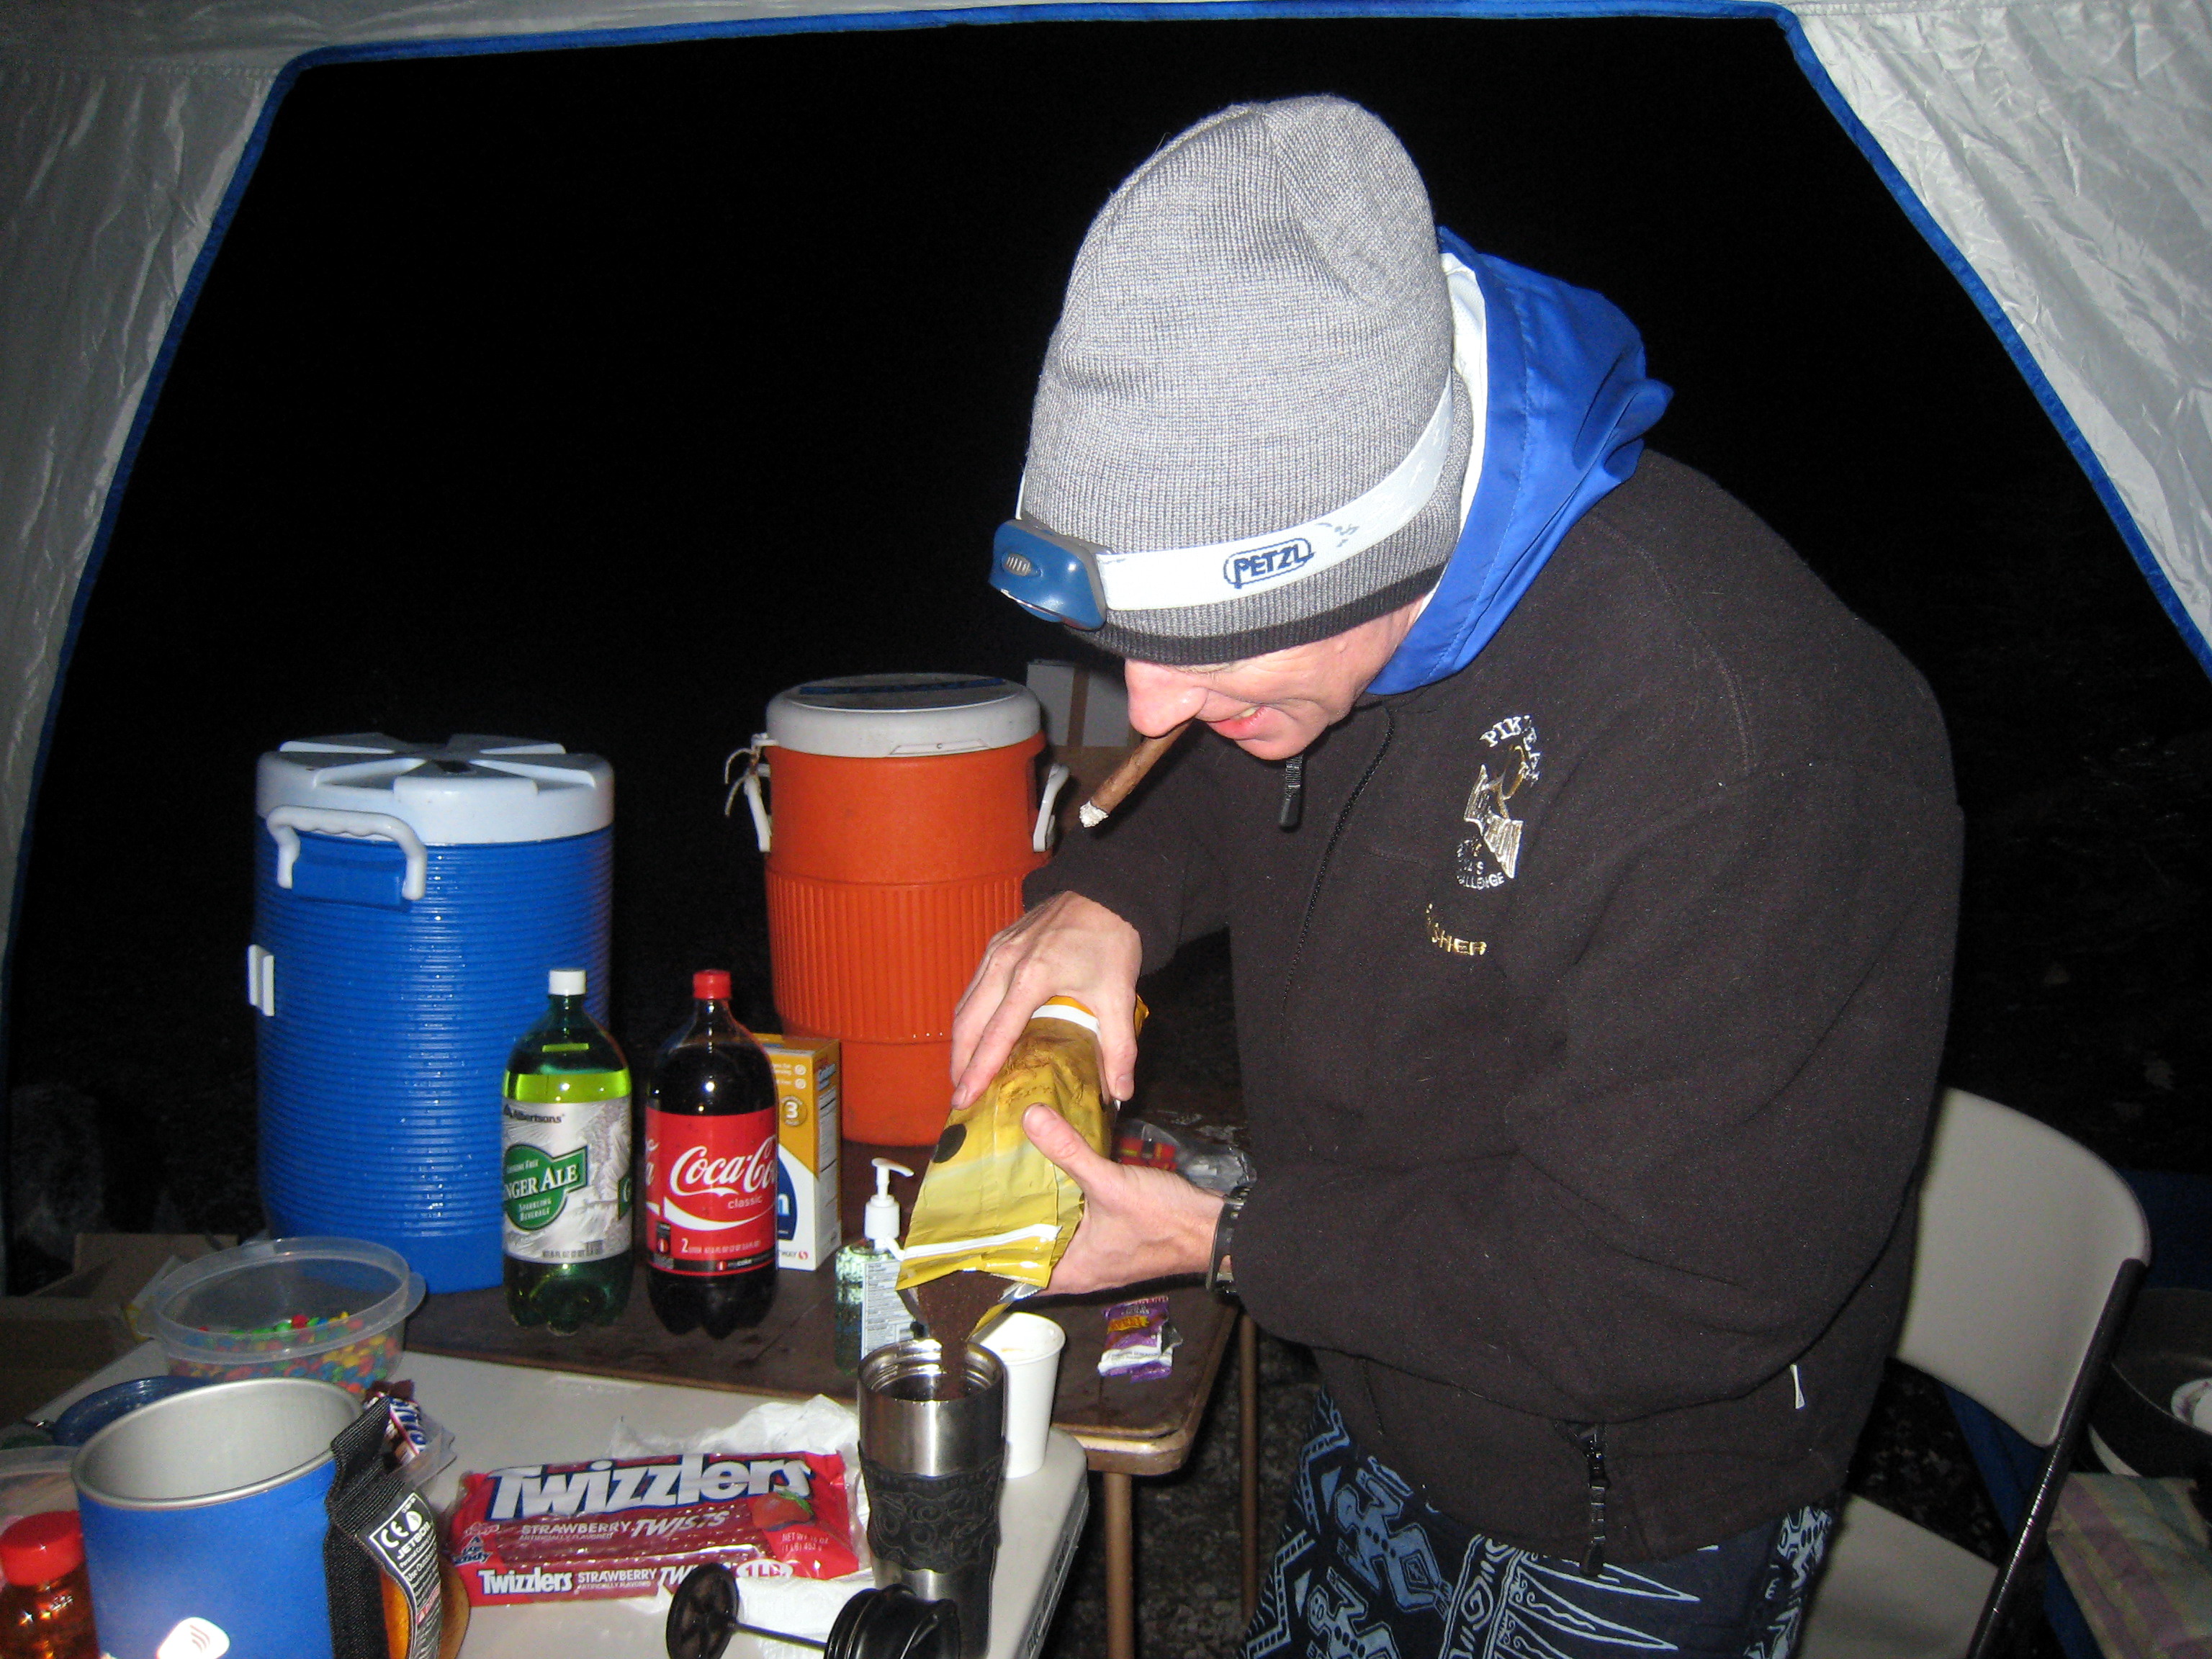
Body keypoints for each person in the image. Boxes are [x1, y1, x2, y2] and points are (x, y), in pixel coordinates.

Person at [952, 96, 1961, 1659]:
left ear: (1398, 552)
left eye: (1207, 654)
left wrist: (1220, 1241)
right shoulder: (1351, 607)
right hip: (1397, 1366)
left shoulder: (1748, 750)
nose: (1144, 710)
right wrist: (1113, 894)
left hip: (1623, 1493)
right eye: (1120, 646)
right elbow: (1233, 765)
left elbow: (1660, 1290)